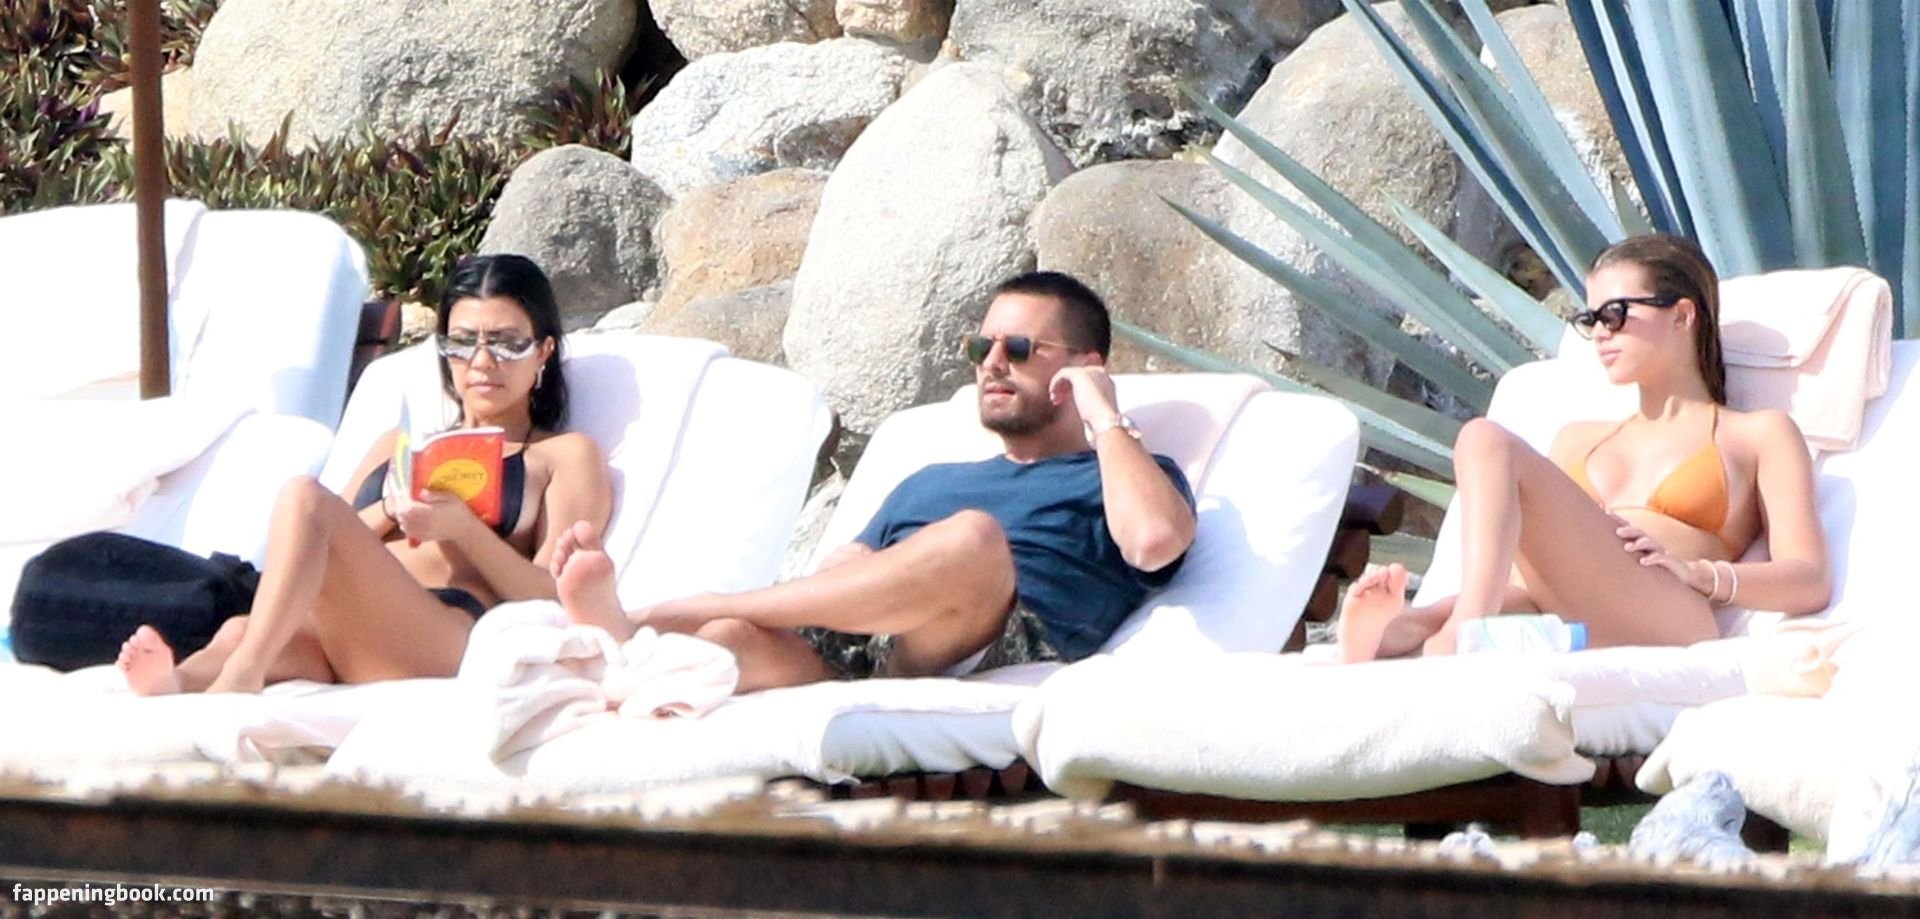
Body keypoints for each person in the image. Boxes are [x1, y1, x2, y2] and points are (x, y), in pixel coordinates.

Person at [552, 271, 1198, 692]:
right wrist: (842, 574)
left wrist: (1104, 413)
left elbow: (1153, 541)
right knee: (727, 644)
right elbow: (845, 569)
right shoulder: (931, 479)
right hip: (860, 644)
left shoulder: (1125, 471)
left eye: (1020, 349)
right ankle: (635, 651)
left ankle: (680, 610)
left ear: (1087, 365)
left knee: (972, 539)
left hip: (989, 637)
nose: (993, 364)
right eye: (981, 349)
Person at [115, 254, 613, 694]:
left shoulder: (562, 456)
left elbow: (554, 594)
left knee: (305, 497)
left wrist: (463, 528)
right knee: (239, 631)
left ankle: (243, 676)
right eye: (463, 343)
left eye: (505, 344)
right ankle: (181, 682)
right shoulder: (397, 445)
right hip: (346, 633)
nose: (482, 362)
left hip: (442, 629)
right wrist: (392, 509)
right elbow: (321, 540)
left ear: (543, 351)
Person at [1338, 234, 1832, 662]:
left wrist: (1702, 574)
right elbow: (1533, 571)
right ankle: (1407, 631)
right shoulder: (1577, 438)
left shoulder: (1756, 434)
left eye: (1615, 314)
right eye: (1590, 318)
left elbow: (1808, 579)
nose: (1599, 333)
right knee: (1453, 607)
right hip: (1568, 616)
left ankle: (1464, 629)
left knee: (1484, 439)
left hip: (1669, 613)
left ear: (1683, 316)